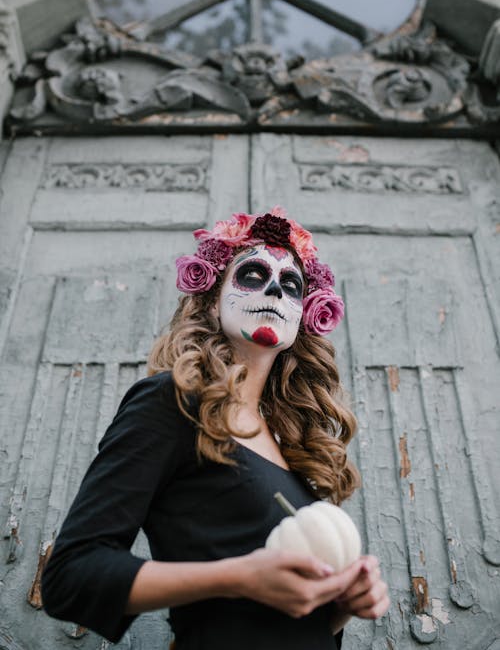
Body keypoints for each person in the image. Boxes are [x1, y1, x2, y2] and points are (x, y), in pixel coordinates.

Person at [41, 207, 389, 649]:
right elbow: (71, 577)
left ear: (304, 315)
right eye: (252, 275)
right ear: (210, 298)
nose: (273, 293)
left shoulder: (292, 440)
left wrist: (340, 604)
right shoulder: (172, 403)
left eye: (291, 286)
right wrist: (239, 576)